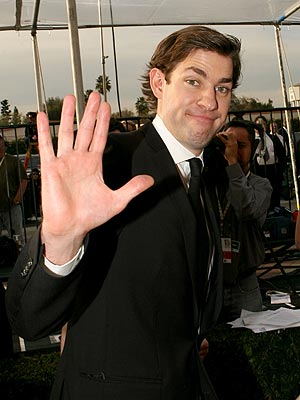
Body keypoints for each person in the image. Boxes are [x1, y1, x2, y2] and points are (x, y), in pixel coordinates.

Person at [6, 25, 242, 400]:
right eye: (194, 82)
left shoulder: (210, 173)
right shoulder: (109, 163)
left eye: (223, 88)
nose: (211, 101)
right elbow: (30, 319)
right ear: (159, 83)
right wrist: (60, 242)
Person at [204, 120, 272, 321]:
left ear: (253, 149)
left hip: (245, 284)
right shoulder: (211, 185)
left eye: (240, 146)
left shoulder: (261, 185)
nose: (233, 151)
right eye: (228, 146)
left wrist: (233, 164)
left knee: (253, 343)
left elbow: (246, 208)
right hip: (211, 284)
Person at [254, 115, 286, 209]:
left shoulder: (273, 138)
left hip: (273, 169)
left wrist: (280, 169)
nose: (260, 126)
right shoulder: (252, 139)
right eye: (258, 124)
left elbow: (281, 154)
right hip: (259, 170)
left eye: (262, 124)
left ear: (266, 125)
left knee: (274, 193)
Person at [0, 134, 27, 242]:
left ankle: (20, 258)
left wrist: (17, 198)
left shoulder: (13, 161)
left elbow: (24, 180)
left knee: (17, 237)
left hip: (11, 207)